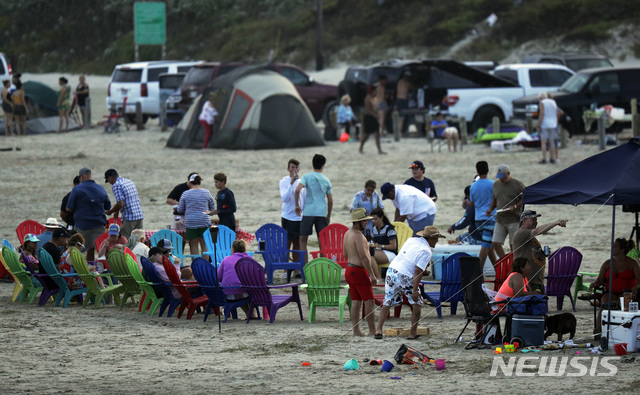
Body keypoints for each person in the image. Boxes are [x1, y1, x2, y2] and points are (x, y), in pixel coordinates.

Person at [375, 225, 445, 340]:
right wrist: (415, 291)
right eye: (436, 238)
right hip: (405, 274)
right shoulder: (426, 251)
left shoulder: (411, 240)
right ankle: (412, 334)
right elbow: (417, 271)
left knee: (387, 301)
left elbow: (409, 257)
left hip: (392, 270)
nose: (437, 241)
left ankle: (378, 330)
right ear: (431, 238)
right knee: (417, 304)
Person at [590, 237, 640, 335]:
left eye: (614, 246)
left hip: (627, 292)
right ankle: (598, 330)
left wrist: (635, 288)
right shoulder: (607, 263)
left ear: (622, 249)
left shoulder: (632, 263)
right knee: (606, 304)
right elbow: (600, 280)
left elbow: (639, 280)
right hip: (610, 291)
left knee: (622, 302)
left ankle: (622, 331)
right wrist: (595, 284)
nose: (612, 248)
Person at [513, 210, 568, 293]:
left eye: (536, 220)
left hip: (537, 280)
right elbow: (538, 230)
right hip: (528, 280)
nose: (535, 222)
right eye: (533, 220)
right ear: (524, 221)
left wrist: (542, 254)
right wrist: (556, 223)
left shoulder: (531, 237)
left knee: (540, 304)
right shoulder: (520, 233)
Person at [343, 208, 377, 336]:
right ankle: (372, 330)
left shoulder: (347, 233)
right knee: (369, 300)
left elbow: (345, 253)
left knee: (356, 301)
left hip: (349, 269)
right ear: (358, 222)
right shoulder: (358, 236)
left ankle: (356, 330)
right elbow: (363, 257)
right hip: (358, 271)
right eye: (364, 221)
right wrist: (372, 274)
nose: (366, 223)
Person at [66, 167, 111, 262]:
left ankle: (76, 271)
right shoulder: (100, 188)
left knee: (77, 252)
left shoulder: (77, 189)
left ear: (81, 177)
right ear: (90, 176)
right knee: (103, 251)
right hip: (99, 226)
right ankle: (105, 271)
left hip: (82, 226)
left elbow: (69, 208)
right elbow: (108, 206)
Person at [295, 154, 333, 261]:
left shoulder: (306, 177)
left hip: (308, 212)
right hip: (321, 213)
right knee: (322, 241)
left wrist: (297, 205)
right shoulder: (326, 180)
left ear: (313, 164)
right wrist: (328, 215)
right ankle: (323, 264)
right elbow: (330, 201)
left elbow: (297, 190)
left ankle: (305, 266)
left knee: (302, 240)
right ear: (323, 166)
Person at [487, 164, 525, 258]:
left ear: (508, 174)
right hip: (500, 219)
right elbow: (494, 199)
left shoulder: (517, 184)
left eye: (503, 177)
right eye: (499, 177)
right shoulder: (496, 184)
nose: (501, 179)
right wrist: (490, 209)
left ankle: (514, 262)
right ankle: (504, 260)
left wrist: (515, 206)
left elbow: (525, 198)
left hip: (514, 219)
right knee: (496, 242)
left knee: (513, 244)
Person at [217, 240, 258, 320]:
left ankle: (249, 314)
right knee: (249, 290)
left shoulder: (226, 259)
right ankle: (253, 313)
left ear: (233, 250)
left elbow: (218, 277)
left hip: (226, 294)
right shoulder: (249, 259)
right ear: (244, 249)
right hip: (241, 293)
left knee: (241, 289)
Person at [176, 174, 215, 259]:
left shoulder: (185, 194)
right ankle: (205, 267)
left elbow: (180, 209)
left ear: (190, 182)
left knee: (193, 245)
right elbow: (212, 208)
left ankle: (196, 267)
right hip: (204, 220)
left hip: (190, 222)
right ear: (200, 182)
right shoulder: (206, 192)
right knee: (204, 245)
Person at [469, 161, 496, 270]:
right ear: (488, 170)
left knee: (489, 246)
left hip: (478, 219)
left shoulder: (473, 186)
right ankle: (478, 271)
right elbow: (496, 200)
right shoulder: (493, 184)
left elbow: (472, 203)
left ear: (477, 171)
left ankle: (498, 269)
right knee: (486, 245)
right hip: (490, 219)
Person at [104, 168, 144, 240]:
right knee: (139, 241)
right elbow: (127, 200)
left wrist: (110, 212)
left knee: (126, 241)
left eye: (108, 180)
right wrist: (117, 212)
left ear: (110, 178)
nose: (109, 183)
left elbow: (120, 203)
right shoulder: (128, 182)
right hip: (139, 216)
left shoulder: (116, 185)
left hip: (129, 218)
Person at [279, 158, 305, 260]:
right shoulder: (284, 181)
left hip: (299, 217)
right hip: (287, 216)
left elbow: (304, 199)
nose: (294, 170)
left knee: (297, 244)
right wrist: (291, 183)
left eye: (296, 168)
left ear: (299, 169)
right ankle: (286, 269)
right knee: (287, 243)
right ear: (288, 169)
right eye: (292, 167)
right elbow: (284, 198)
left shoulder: (302, 182)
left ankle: (296, 269)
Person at [370, 207, 397, 280]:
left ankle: (378, 277)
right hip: (380, 252)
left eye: (375, 219)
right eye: (372, 219)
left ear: (381, 218)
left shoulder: (389, 229)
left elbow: (394, 246)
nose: (373, 221)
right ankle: (373, 276)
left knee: (370, 255)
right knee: (366, 254)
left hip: (390, 253)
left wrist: (380, 246)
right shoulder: (374, 229)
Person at [359, 88, 385, 154]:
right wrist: (374, 115)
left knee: (377, 133)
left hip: (374, 117)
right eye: (375, 91)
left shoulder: (375, 98)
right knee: (366, 134)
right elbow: (368, 109)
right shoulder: (367, 98)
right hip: (368, 117)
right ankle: (361, 147)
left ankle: (379, 150)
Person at [538, 92, 560, 164]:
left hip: (545, 124)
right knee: (552, 141)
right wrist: (556, 123)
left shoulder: (542, 102)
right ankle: (552, 158)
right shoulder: (553, 102)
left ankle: (544, 158)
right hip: (553, 124)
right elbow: (557, 113)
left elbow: (542, 114)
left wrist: (539, 124)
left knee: (543, 142)